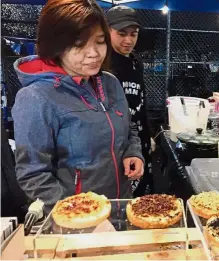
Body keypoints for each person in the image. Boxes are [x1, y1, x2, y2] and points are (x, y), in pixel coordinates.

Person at [12, 0, 144, 213]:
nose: (94, 53)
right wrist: (81, 217)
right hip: (74, 222)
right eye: (79, 44)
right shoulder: (36, 97)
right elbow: (33, 175)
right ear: (55, 45)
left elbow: (129, 129)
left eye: (100, 42)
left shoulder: (110, 82)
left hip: (120, 206)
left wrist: (133, 152)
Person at [106, 6, 153, 196]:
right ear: (107, 30)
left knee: (143, 197)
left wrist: (147, 135)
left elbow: (140, 102)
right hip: (118, 146)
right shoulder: (103, 63)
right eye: (121, 33)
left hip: (139, 139)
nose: (128, 40)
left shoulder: (135, 61)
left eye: (133, 34)